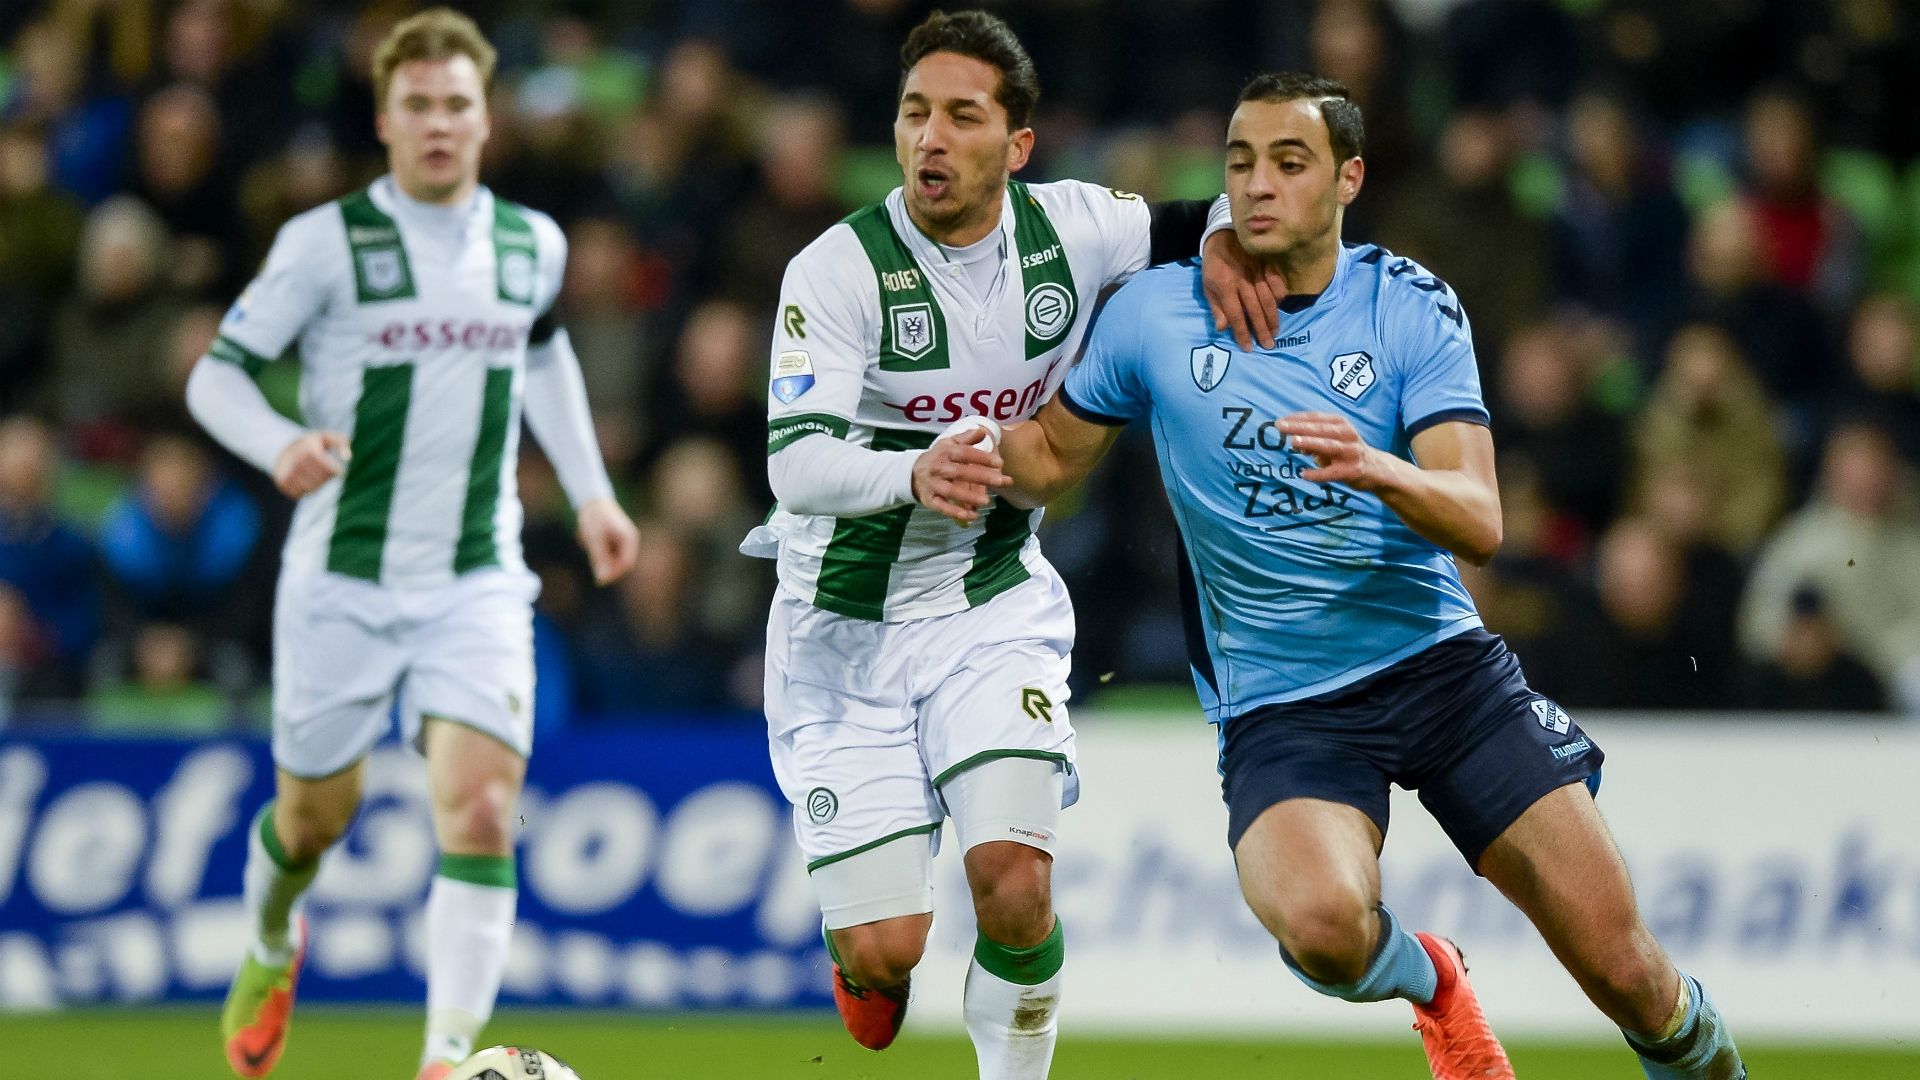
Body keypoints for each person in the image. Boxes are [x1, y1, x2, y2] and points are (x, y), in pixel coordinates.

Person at [980, 73, 1748, 1080]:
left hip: (1443, 674)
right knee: (1323, 930)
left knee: (1629, 975)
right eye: (1240, 162)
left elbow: (1479, 520)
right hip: (1282, 707)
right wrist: (913, 447)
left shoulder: (1409, 306)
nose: (1258, 184)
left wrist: (1380, 469)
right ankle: (1435, 981)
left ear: (1348, 178)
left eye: (1289, 162)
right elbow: (1044, 459)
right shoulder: (1157, 315)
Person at [743, 10, 1277, 1078]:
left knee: (1017, 885)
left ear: (1017, 144)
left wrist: (1220, 240)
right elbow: (794, 465)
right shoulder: (837, 271)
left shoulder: (1075, 229)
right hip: (841, 633)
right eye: (914, 113)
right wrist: (911, 472)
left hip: (989, 607)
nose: (929, 138)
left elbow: (1214, 210)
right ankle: (867, 964)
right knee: (889, 946)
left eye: (961, 116)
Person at [182, 10, 639, 1079]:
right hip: (341, 578)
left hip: (476, 578)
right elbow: (214, 376)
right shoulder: (324, 244)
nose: (439, 123)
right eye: (418, 105)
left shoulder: (531, 244)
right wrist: (280, 442)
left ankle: (444, 1060)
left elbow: (543, 357)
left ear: (487, 120)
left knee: (481, 810)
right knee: (312, 822)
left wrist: (594, 498)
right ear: (385, 122)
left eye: (457, 105)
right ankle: (271, 938)